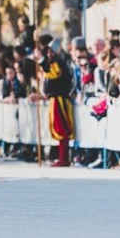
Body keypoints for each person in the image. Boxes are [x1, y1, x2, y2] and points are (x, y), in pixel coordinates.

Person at [37, 36, 75, 167]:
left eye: (51, 51)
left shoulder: (58, 63)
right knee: (58, 128)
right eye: (47, 52)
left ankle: (63, 158)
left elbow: (54, 75)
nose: (49, 54)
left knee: (61, 128)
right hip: (54, 98)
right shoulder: (53, 62)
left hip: (60, 99)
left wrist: (42, 63)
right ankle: (61, 157)